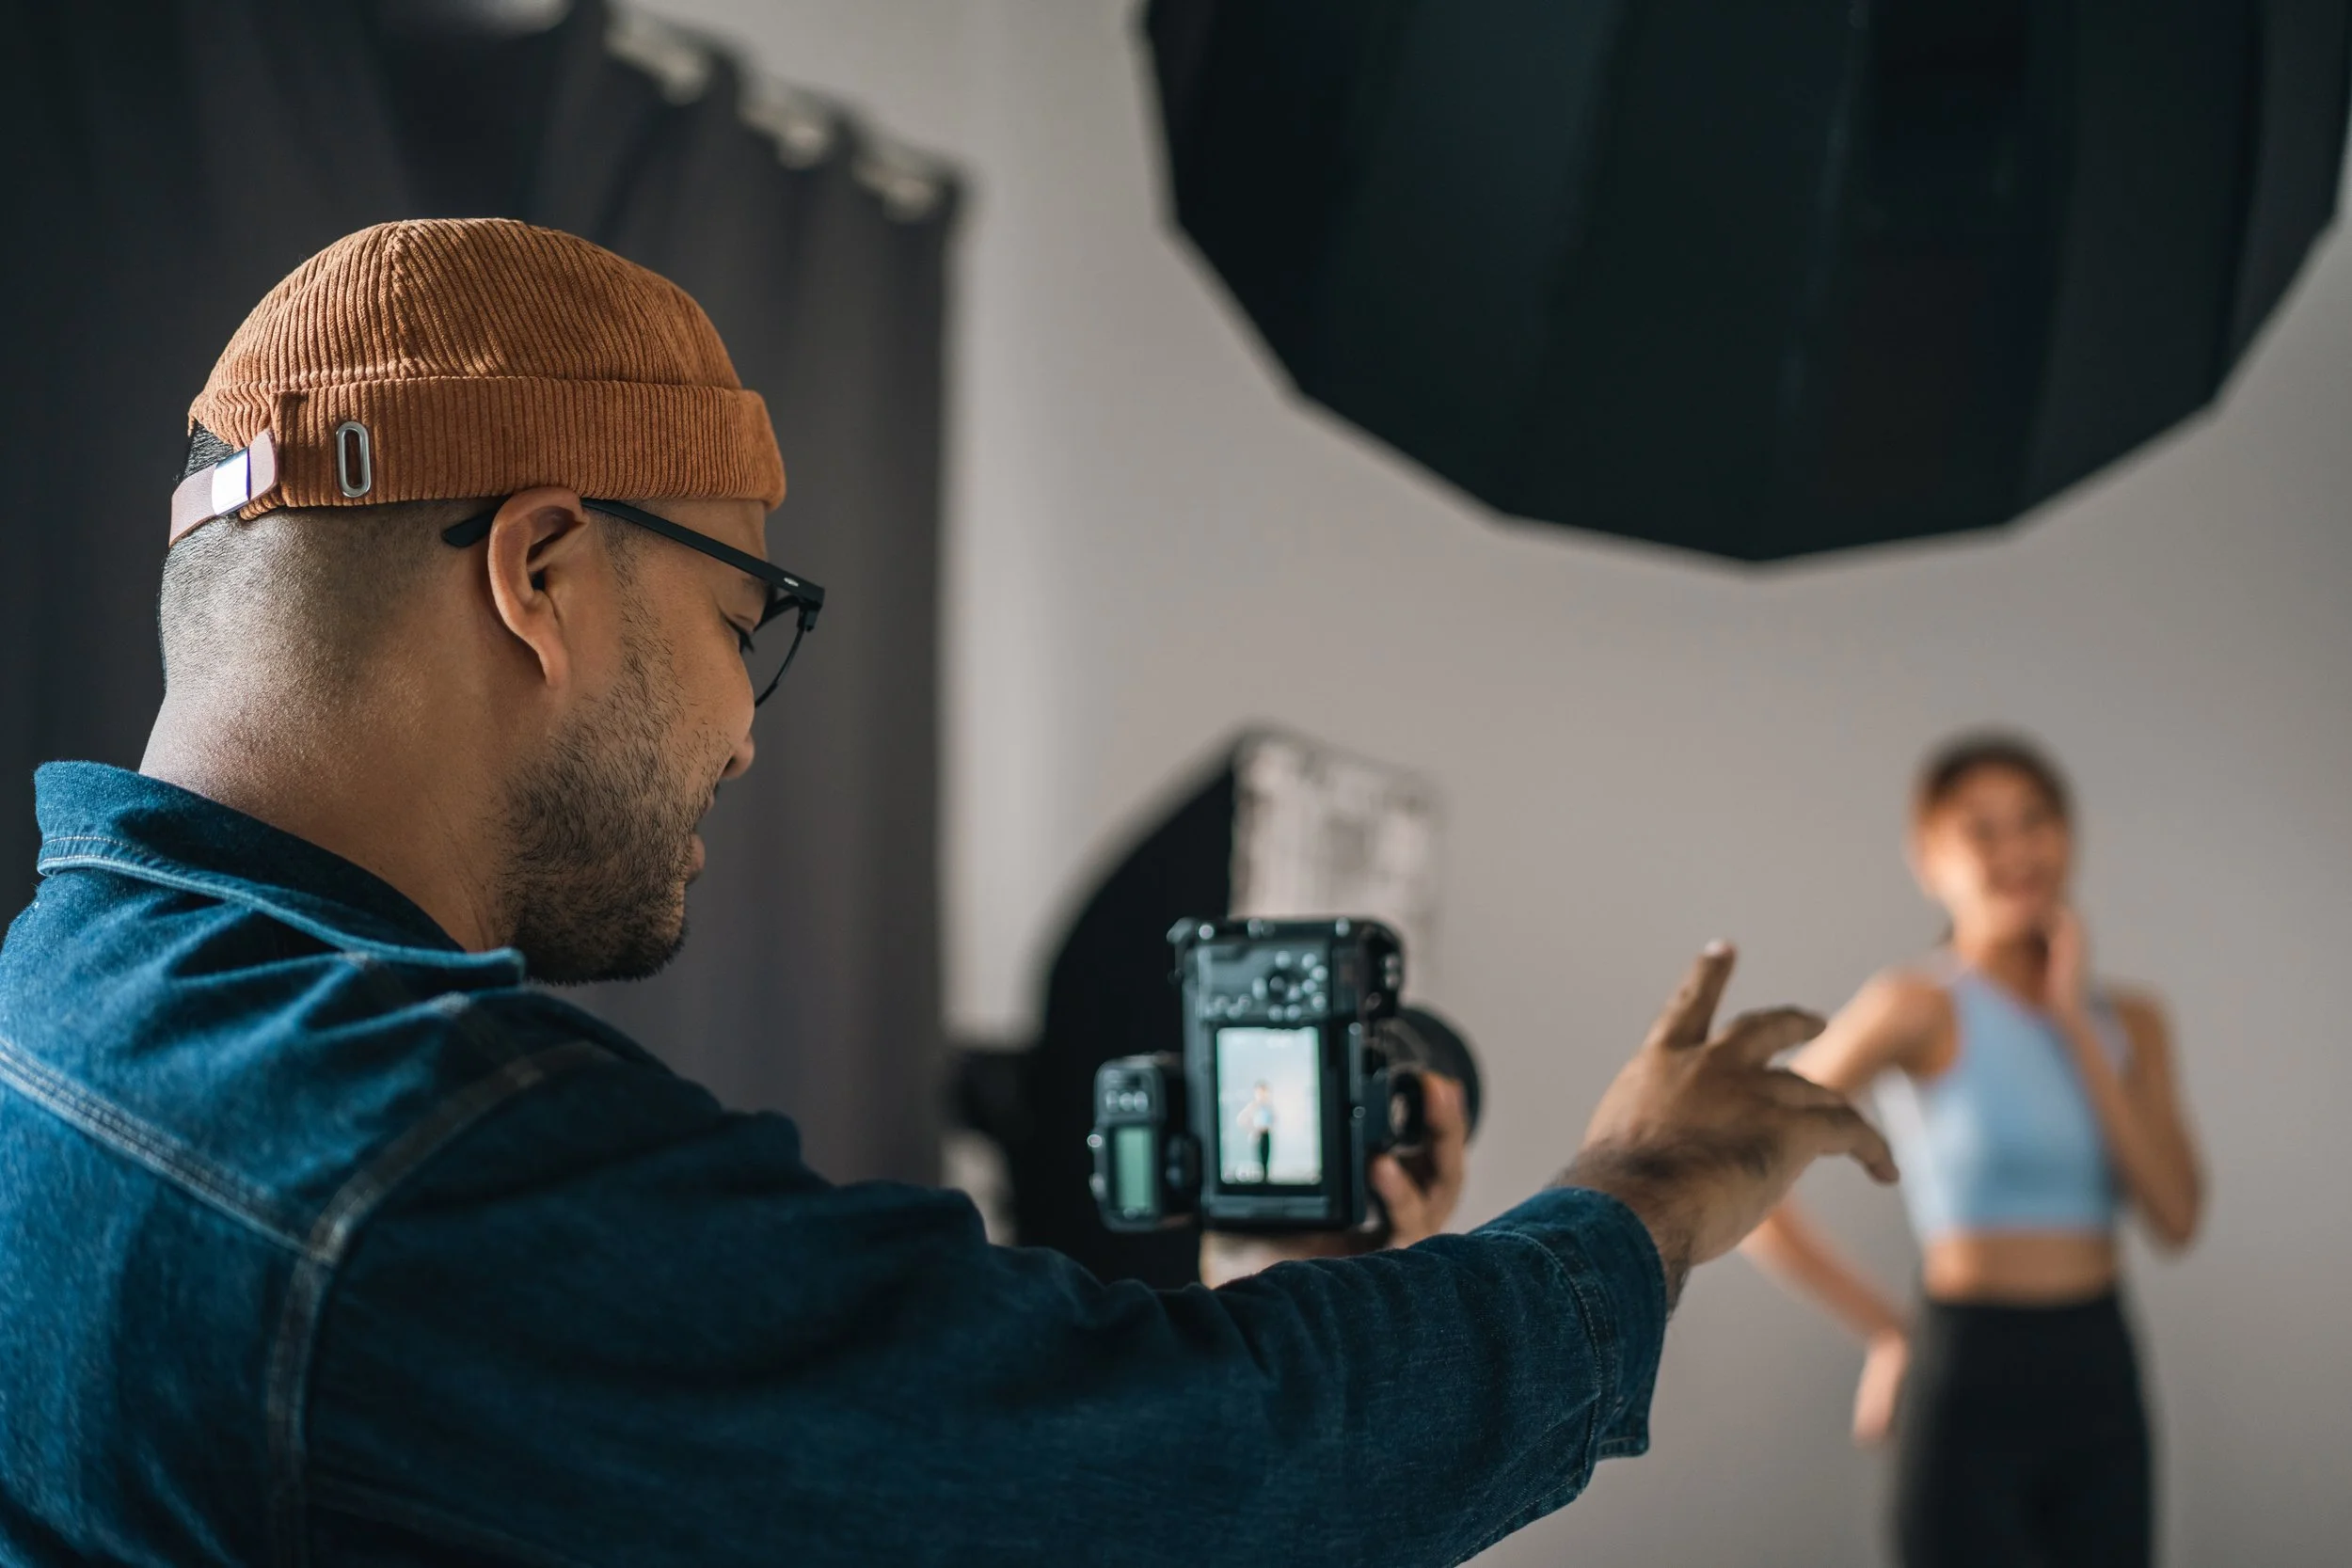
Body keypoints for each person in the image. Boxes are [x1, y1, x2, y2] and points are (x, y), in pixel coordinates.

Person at [0, 218, 1897, 1567]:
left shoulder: (60, 998)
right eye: (748, 619)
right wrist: (1640, 1198)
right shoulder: (400, 1148)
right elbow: (1180, 1487)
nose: (745, 731)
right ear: (544, 570)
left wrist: (1293, 1293)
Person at [1742, 734, 2204, 1568]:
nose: (2016, 850)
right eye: (1981, 830)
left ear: (2068, 834)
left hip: (2101, 1368)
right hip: (1967, 1371)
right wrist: (1890, 1332)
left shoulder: (2133, 1023)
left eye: (2034, 821)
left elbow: (2176, 1218)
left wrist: (2072, 1021)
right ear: (1929, 859)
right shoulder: (1918, 1005)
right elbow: (1747, 1161)